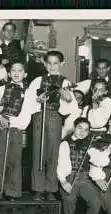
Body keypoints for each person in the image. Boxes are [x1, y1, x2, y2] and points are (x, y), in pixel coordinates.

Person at [22, 50, 75, 201]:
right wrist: (37, 101)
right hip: (39, 116)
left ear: (62, 64)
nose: (52, 66)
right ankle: (38, 188)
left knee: (53, 153)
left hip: (55, 118)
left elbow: (71, 108)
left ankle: (51, 188)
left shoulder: (65, 82)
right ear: (44, 64)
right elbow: (28, 102)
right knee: (38, 152)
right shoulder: (37, 81)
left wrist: (68, 99)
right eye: (49, 63)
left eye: (55, 63)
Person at [0, 61, 32, 201]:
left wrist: (10, 121)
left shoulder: (28, 92)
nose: (16, 73)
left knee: (15, 160)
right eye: (13, 70)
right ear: (9, 73)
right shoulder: (2, 89)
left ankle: (12, 192)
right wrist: (0, 118)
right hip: (1, 127)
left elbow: (26, 117)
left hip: (17, 129)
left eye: (20, 70)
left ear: (25, 73)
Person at [57, 118, 101, 214]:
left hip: (86, 178)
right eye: (80, 128)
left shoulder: (91, 144)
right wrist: (63, 181)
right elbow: (61, 164)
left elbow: (98, 161)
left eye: (86, 130)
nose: (82, 132)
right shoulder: (65, 143)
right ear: (74, 127)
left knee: (96, 201)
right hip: (70, 177)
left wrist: (106, 150)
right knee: (69, 199)